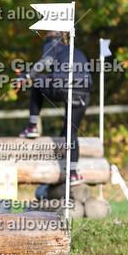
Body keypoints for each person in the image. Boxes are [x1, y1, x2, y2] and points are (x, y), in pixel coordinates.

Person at [16, 31, 92, 185]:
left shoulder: (52, 45)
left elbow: (46, 61)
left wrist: (28, 76)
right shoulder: (75, 51)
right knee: (71, 132)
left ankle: (32, 127)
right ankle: (73, 174)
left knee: (37, 84)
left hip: (63, 87)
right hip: (84, 91)